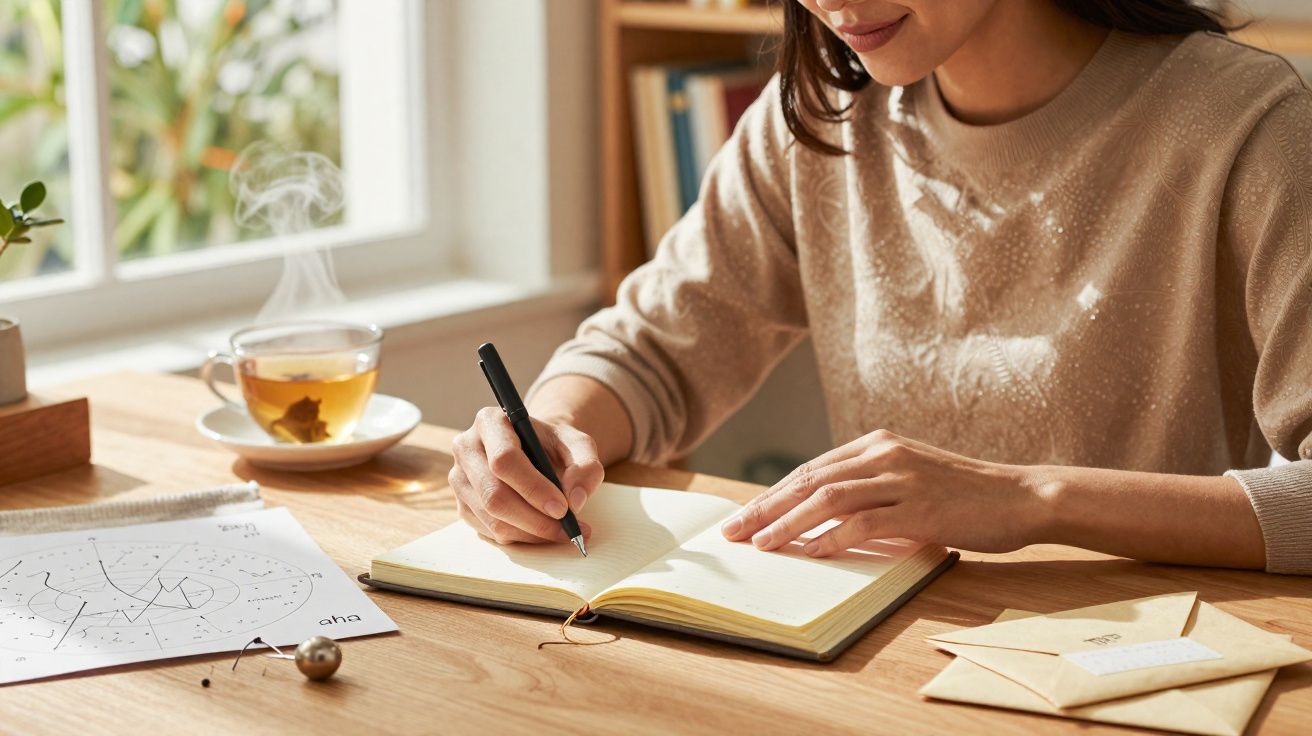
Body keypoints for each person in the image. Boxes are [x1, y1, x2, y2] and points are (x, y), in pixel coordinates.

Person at [449, 0, 1312, 574]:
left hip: (1133, 665)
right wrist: (550, 434)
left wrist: (1028, 500)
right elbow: (652, 350)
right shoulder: (820, 120)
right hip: (875, 654)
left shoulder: (1245, 127)